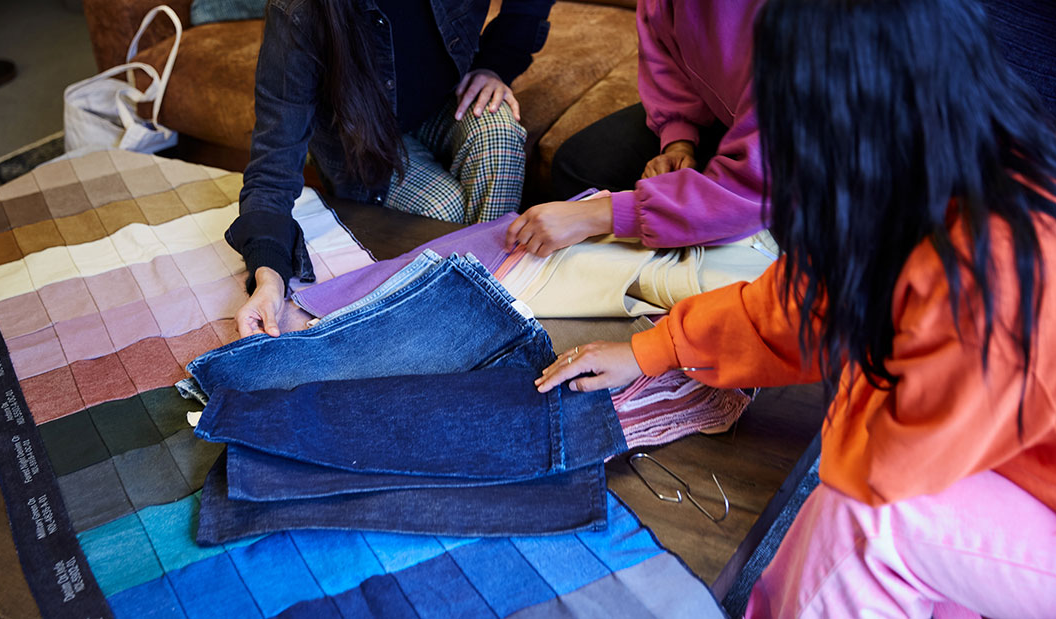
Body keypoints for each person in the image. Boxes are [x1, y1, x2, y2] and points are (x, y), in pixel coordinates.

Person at [536, 0, 1056, 615]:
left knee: (869, 524)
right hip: (1015, 470)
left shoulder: (993, 271)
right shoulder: (949, 171)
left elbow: (873, 466)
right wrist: (653, 350)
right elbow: (808, 301)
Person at [230, 0, 554, 338]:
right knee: (444, 210)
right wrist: (269, 279)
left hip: (447, 98)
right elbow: (272, 166)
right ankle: (462, 309)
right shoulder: (297, 9)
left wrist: (496, 64)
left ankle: (494, 298)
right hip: (363, 143)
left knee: (500, 137)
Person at [504, 0, 766, 257]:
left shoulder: (795, 27)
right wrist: (678, 140)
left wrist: (597, 215)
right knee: (580, 163)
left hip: (780, 150)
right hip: (726, 110)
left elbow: (755, 189)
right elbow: (665, 54)